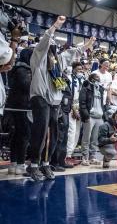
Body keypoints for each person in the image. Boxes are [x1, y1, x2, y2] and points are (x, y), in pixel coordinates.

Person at [28, 16, 91, 181]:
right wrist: (55, 26)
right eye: (51, 47)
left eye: (55, 48)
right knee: (40, 132)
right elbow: (44, 44)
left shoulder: (57, 63)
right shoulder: (38, 58)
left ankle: (46, 163)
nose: (54, 50)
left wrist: (86, 46)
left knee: (53, 134)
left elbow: (72, 53)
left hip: (54, 101)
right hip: (40, 97)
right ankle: (33, 164)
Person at [6, 48, 33, 175]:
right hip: (22, 107)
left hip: (15, 106)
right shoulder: (24, 70)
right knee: (23, 135)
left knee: (16, 136)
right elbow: (26, 85)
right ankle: (20, 164)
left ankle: (14, 163)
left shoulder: (16, 68)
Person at [79, 73, 105, 166]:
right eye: (96, 78)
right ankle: (84, 158)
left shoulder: (101, 89)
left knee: (94, 139)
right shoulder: (86, 88)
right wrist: (86, 115)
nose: (98, 80)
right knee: (86, 138)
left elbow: (102, 103)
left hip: (99, 117)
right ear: (91, 79)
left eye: (99, 78)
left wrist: (103, 114)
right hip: (90, 116)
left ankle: (92, 157)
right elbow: (82, 103)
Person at [65, 61, 85, 167]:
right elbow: (70, 95)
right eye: (78, 70)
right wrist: (74, 109)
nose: (80, 71)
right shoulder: (69, 78)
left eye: (81, 70)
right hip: (71, 109)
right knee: (71, 132)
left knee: (77, 133)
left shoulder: (81, 80)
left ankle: (71, 154)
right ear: (73, 69)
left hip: (79, 108)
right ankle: (66, 156)